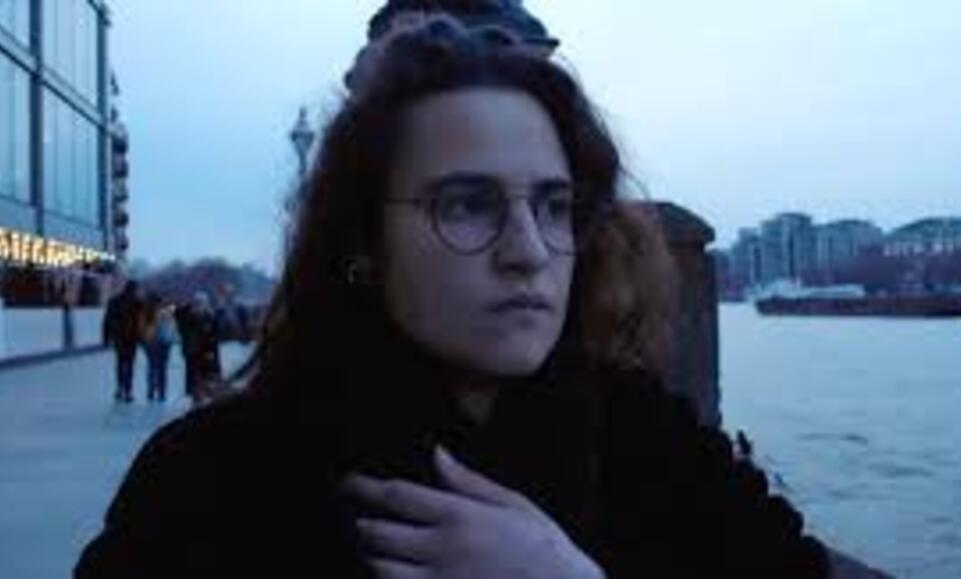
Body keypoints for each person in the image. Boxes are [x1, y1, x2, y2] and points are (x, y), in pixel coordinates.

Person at [76, 18, 832, 578]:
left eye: (554, 206)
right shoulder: (215, 483)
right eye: (467, 205)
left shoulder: (652, 444)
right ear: (364, 243)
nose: (529, 251)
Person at [174, 292, 222, 407]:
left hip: (203, 351)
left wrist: (211, 349)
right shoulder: (188, 316)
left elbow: (214, 335)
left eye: (201, 302)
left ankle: (202, 397)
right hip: (194, 351)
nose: (199, 304)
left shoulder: (209, 316)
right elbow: (179, 318)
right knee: (196, 375)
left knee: (204, 375)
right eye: (197, 302)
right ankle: (197, 398)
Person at [101, 280, 143, 403]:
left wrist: (105, 338)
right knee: (130, 364)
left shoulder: (114, 301)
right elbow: (141, 322)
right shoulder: (137, 303)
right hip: (132, 337)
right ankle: (128, 390)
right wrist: (142, 338)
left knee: (120, 362)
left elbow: (107, 320)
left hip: (118, 336)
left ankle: (119, 388)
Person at [139, 292, 177, 402]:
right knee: (162, 368)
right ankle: (162, 392)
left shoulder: (145, 312)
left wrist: (143, 340)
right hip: (164, 342)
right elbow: (172, 326)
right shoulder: (165, 312)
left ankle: (150, 391)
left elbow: (141, 328)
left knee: (152, 366)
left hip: (149, 342)